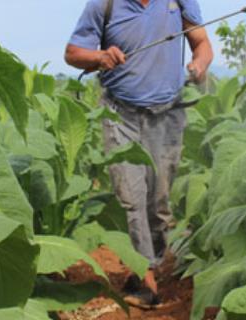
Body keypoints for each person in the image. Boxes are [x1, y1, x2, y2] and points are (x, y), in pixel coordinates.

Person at [64, 0, 213, 307]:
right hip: (121, 114)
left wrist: (199, 66)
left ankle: (152, 261)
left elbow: (202, 44)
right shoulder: (104, 6)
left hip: (168, 113)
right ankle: (143, 275)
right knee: (131, 196)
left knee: (158, 200)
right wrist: (100, 55)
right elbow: (73, 53)